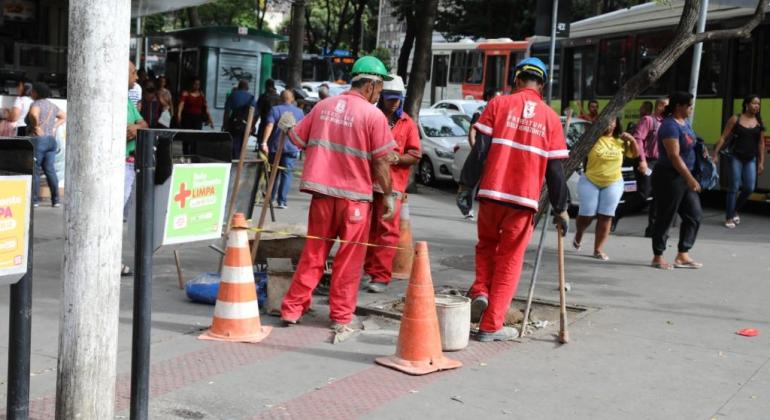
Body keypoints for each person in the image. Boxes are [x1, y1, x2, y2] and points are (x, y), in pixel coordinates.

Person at [280, 56, 397, 337]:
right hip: (354, 200)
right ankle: (341, 315)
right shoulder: (373, 115)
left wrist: (287, 126)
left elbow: (296, 141)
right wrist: (390, 196)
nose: (379, 96)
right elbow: (381, 162)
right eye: (379, 90)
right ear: (370, 86)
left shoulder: (323, 106)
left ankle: (292, 310)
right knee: (349, 259)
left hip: (321, 196)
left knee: (314, 254)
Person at [469, 57, 570, 341]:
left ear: (516, 79)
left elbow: (480, 151)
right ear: (543, 84)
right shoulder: (551, 118)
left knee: (486, 246)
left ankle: (480, 291)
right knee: (509, 261)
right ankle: (490, 326)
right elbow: (555, 171)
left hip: (491, 194)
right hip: (522, 202)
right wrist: (561, 208)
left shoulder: (498, 104)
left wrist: (466, 187)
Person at [363, 75, 422, 293]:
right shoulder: (372, 117)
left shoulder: (407, 123)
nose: (394, 103)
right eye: (390, 98)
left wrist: (399, 159)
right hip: (368, 183)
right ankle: (366, 270)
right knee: (366, 229)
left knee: (387, 231)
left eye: (397, 99)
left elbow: (415, 154)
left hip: (394, 185)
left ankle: (380, 276)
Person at [573, 118, 639, 261]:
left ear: (616, 124)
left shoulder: (620, 140)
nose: (609, 125)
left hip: (613, 182)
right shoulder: (591, 139)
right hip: (590, 180)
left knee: (606, 215)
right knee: (587, 214)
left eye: (612, 122)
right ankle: (579, 232)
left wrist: (632, 140)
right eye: (607, 121)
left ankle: (598, 249)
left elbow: (635, 155)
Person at [650, 91, 702, 270]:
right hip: (669, 176)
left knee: (694, 214)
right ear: (679, 106)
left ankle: (683, 254)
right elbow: (673, 155)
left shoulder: (685, 123)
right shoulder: (670, 126)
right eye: (689, 105)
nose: (691, 108)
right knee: (666, 216)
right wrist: (690, 179)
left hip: (684, 175)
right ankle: (658, 255)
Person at [614, 97, 668, 235]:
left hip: (660, 162)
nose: (667, 108)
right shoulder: (648, 120)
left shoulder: (667, 122)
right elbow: (638, 139)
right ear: (659, 106)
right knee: (643, 194)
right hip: (646, 161)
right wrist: (642, 161)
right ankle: (616, 214)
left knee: (659, 195)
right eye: (665, 106)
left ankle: (652, 228)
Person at [713, 94, 765, 228]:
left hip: (751, 159)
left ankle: (735, 209)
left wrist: (761, 162)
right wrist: (715, 153)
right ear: (746, 104)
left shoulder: (759, 122)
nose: (756, 106)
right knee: (734, 187)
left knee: (749, 187)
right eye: (754, 103)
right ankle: (729, 217)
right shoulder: (736, 118)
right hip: (736, 157)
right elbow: (724, 137)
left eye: (758, 104)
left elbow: (761, 144)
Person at [123, 61, 149, 275]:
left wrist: (135, 127)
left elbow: (144, 124)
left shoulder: (127, 101)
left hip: (130, 165)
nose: (137, 77)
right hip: (118, 165)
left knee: (123, 216)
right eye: (133, 73)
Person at [457, 88, 499, 220]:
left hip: (491, 153)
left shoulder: (499, 112)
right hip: (480, 150)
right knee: (472, 181)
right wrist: (475, 147)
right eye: (496, 97)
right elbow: (472, 131)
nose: (498, 100)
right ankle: (467, 208)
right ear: (490, 97)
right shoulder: (481, 111)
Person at [260, 89, 304, 208]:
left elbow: (269, 125)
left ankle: (270, 198)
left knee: (273, 173)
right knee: (287, 174)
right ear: (292, 99)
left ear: (280, 98)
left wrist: (264, 142)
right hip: (292, 147)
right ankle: (282, 201)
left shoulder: (275, 109)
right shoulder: (299, 112)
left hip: (275, 146)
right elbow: (302, 130)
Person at [26, 82, 66, 207]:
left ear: (36, 92)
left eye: (32, 91)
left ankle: (35, 200)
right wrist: (54, 127)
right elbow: (63, 116)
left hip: (39, 141)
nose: (31, 93)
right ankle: (56, 200)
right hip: (51, 141)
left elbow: (33, 114)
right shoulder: (52, 105)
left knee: (35, 170)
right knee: (50, 170)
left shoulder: (36, 104)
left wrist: (36, 126)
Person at [177, 78, 213, 154]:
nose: (196, 86)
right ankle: (186, 153)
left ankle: (194, 154)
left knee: (196, 136)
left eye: (198, 84)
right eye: (195, 84)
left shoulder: (201, 95)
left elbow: (206, 108)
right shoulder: (186, 93)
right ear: (191, 84)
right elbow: (181, 105)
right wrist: (179, 115)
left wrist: (210, 119)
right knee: (186, 136)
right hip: (187, 117)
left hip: (197, 118)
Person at [223, 79, 256, 158]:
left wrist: (225, 123)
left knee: (234, 142)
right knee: (243, 143)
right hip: (245, 124)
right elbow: (254, 114)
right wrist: (252, 125)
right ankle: (240, 159)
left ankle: (235, 158)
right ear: (247, 87)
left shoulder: (232, 95)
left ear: (239, 87)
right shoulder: (251, 97)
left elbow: (227, 111)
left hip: (233, 123)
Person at [255, 79, 280, 148]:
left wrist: (253, 125)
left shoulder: (263, 97)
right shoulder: (279, 97)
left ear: (266, 86)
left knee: (262, 147)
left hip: (264, 124)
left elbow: (257, 112)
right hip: (276, 127)